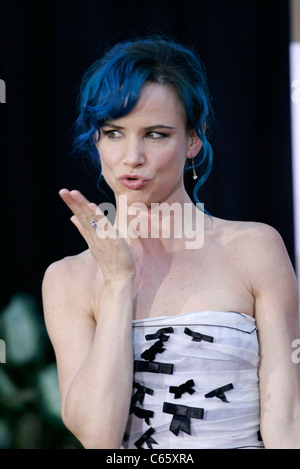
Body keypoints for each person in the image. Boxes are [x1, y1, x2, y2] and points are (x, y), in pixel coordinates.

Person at [42, 36, 300, 449]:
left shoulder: (255, 247)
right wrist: (118, 282)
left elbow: (287, 417)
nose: (132, 156)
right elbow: (98, 437)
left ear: (192, 140)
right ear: (96, 140)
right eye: (113, 132)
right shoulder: (68, 279)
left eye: (156, 135)